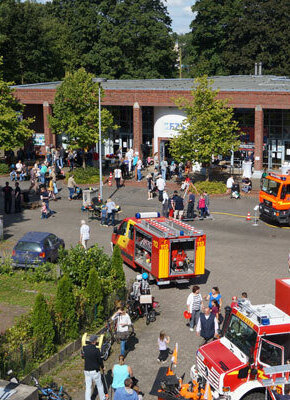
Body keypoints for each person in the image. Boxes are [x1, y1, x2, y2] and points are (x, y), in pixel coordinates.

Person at [83, 334, 106, 400]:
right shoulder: (96, 350)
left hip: (86, 370)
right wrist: (103, 367)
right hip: (94, 371)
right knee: (99, 385)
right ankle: (103, 398)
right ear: (95, 341)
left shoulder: (85, 348)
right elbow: (100, 360)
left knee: (88, 387)